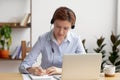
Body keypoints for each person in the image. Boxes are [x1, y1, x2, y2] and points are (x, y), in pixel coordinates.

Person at [19, 6, 85, 76]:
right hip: (46, 78)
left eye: (65, 28)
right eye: (58, 27)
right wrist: (32, 70)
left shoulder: (76, 40)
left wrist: (61, 71)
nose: (61, 32)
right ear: (53, 23)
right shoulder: (43, 39)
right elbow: (23, 65)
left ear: (72, 26)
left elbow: (85, 65)